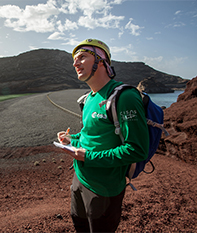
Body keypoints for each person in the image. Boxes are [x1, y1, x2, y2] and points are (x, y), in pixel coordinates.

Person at [57, 39, 149, 232]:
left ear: (101, 60)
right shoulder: (89, 97)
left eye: (82, 57)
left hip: (105, 190)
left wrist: (87, 156)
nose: (75, 63)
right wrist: (71, 139)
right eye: (74, 60)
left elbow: (137, 150)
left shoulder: (125, 97)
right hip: (79, 180)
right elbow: (89, 135)